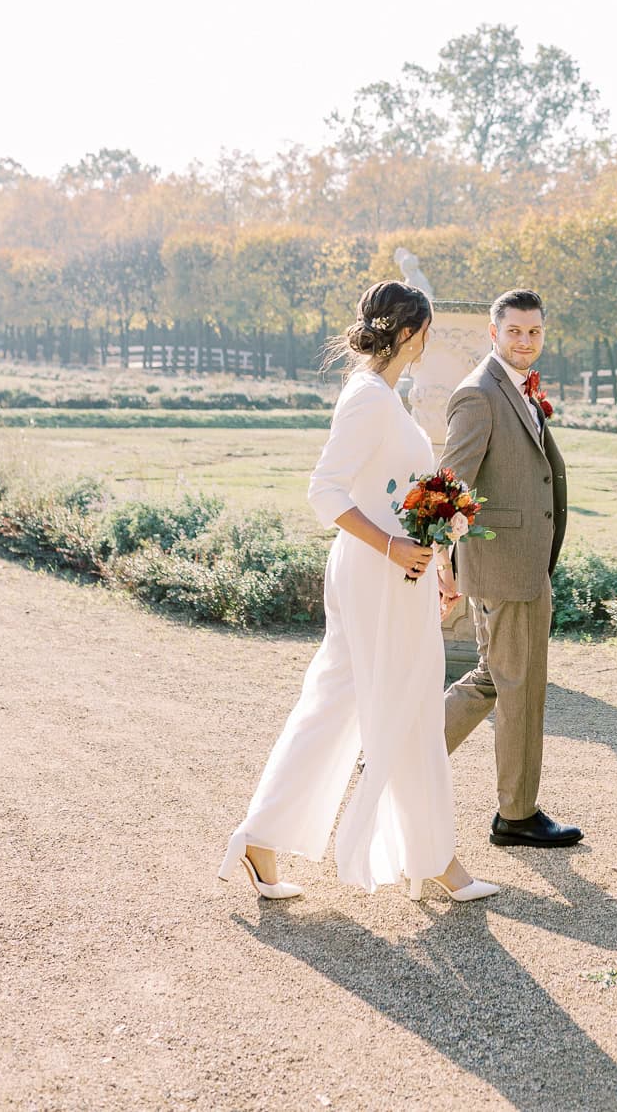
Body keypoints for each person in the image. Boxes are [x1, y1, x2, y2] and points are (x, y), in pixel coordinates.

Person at [218, 280, 498, 905]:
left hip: (399, 578)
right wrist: (396, 546)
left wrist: (442, 558)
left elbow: (404, 488)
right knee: (408, 707)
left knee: (340, 704)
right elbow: (326, 491)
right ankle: (437, 859)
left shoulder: (383, 396)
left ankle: (261, 838)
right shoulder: (369, 398)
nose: (428, 340)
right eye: (425, 329)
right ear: (407, 333)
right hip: (378, 576)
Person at [440, 288, 583, 848]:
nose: (525, 342)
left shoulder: (520, 389)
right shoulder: (478, 393)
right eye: (515, 332)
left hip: (522, 564)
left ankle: (400, 756)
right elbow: (450, 485)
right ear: (493, 334)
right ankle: (516, 815)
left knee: (494, 677)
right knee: (519, 687)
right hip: (504, 566)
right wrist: (445, 567)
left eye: (534, 332)